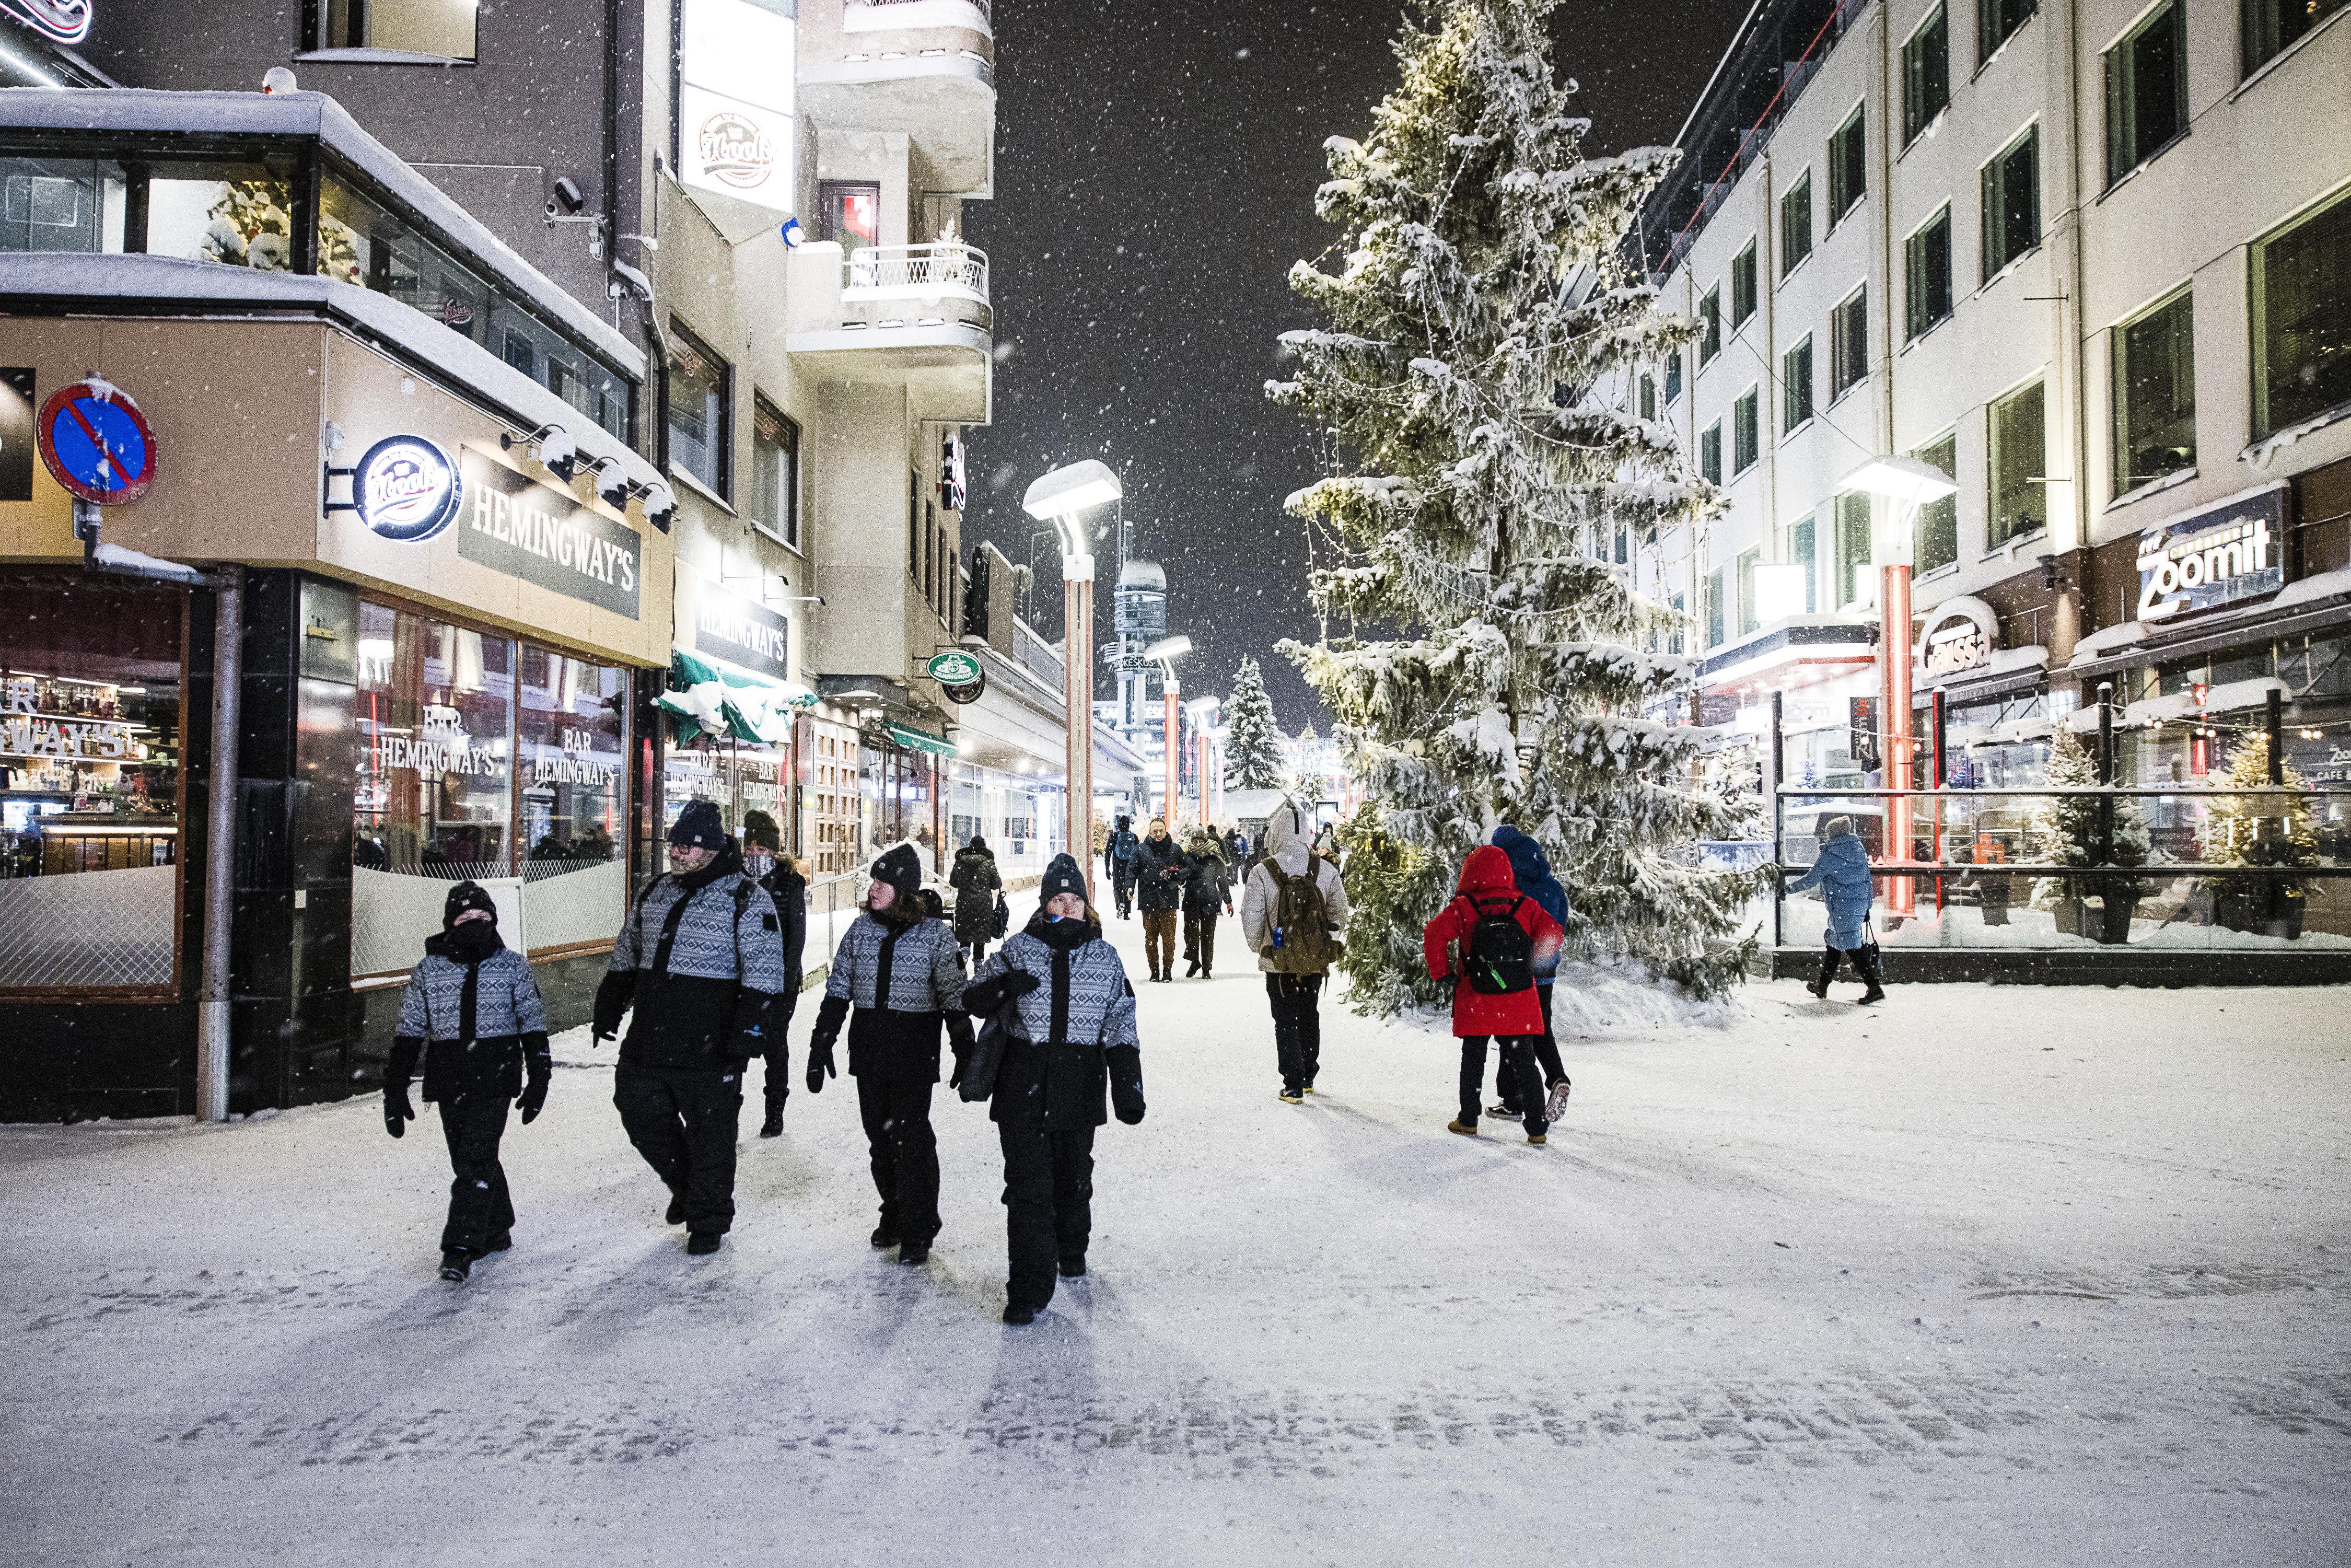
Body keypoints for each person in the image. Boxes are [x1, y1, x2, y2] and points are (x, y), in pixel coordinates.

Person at [591, 799, 788, 1257]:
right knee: (637, 1107)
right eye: (673, 844)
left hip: (710, 1041)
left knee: (712, 1135)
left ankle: (708, 1220)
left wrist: (749, 1035)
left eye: (685, 847)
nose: (675, 853)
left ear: (711, 850)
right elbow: (627, 954)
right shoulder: (655, 891)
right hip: (651, 1035)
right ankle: (686, 1185)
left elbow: (764, 972)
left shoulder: (746, 897)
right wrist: (609, 1007)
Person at [961, 853, 1144, 1326]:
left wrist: (1128, 1085)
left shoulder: (1104, 957)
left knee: (1073, 1179)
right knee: (1027, 1190)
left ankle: (1071, 1246)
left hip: (1078, 1088)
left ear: (1087, 905)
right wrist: (1006, 985)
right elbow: (974, 996)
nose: (1066, 907)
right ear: (1044, 905)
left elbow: (1120, 1020)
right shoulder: (1020, 947)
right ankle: (1027, 1289)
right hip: (1022, 1086)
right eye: (1057, 899)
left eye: (1074, 899)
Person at [805, 844, 972, 1265]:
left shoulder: (935, 935)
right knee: (879, 1139)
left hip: (913, 1052)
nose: (872, 887)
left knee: (911, 1139)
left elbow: (953, 996)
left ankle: (919, 1225)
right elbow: (838, 989)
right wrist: (820, 1042)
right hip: (870, 1051)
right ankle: (894, 1209)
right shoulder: (861, 931)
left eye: (881, 882)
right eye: (872, 880)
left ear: (902, 889)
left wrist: (964, 1050)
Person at [383, 881, 552, 1282]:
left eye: (483, 918)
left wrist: (539, 1077)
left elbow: (533, 1024)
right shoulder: (430, 970)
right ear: (449, 924)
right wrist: (394, 1086)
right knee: (469, 1158)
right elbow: (409, 1030)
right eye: (465, 919)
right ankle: (496, 1227)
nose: (475, 924)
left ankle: (460, 1245)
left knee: (475, 1157)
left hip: (496, 1077)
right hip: (449, 1078)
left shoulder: (513, 966)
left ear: (494, 920)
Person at [1422, 845, 1565, 1146]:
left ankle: (1468, 1119)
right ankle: (1537, 1127)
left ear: (1470, 873)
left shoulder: (1464, 908)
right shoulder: (1524, 906)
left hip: (1477, 996)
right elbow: (1554, 932)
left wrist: (1443, 972)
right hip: (1518, 998)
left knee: (1473, 1058)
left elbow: (1434, 934)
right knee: (1524, 1062)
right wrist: (1531, 964)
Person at [1239, 800, 1348, 1102]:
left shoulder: (1263, 871)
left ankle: (1293, 1083)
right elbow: (1340, 908)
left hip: (1279, 956)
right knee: (1308, 1012)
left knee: (1285, 1018)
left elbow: (1252, 915)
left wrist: (1263, 946)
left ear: (1276, 833)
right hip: (1313, 960)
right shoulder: (1324, 869)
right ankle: (1309, 1073)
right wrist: (1324, 938)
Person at [1488, 824, 1573, 1126]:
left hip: (1516, 969)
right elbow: (1559, 924)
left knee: (1510, 1030)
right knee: (1540, 1028)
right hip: (1545, 969)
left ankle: (1513, 1100)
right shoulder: (1551, 885)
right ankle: (1557, 1078)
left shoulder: (1509, 882)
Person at [739, 810, 807, 1139]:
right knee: (735, 1046)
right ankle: (727, 1110)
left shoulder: (789, 884)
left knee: (774, 1045)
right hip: (741, 982)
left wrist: (785, 981)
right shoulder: (735, 884)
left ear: (774, 851)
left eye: (761, 850)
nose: (754, 856)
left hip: (780, 983)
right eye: (749, 850)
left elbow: (796, 939)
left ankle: (775, 1112)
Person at [1780, 815, 1882, 1003]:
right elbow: (1867, 881)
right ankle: (1823, 986)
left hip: (1843, 907)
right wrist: (1867, 906)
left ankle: (1874, 987)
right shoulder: (1858, 850)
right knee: (1834, 946)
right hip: (1857, 905)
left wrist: (1788, 889)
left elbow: (1811, 879)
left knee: (1854, 949)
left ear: (1832, 834)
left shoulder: (1830, 855)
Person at [1132, 816, 1187, 982]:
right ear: (1149, 832)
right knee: (1151, 939)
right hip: (1148, 901)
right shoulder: (1141, 850)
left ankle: (1168, 971)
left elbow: (1187, 869)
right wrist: (1129, 885)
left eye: (1161, 831)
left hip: (1168, 902)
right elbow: (1132, 870)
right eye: (1154, 831)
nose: (1158, 834)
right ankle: (1154, 971)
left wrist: (1175, 875)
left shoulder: (1175, 849)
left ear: (1166, 831)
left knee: (1169, 939)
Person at [1181, 826, 1234, 978]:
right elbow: (1181, 877)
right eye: (1195, 840)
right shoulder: (1188, 857)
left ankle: (1206, 968)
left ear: (1205, 841)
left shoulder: (1214, 857)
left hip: (1210, 900)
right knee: (1190, 934)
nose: (1197, 843)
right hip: (1192, 901)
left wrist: (1228, 902)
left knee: (1208, 935)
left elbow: (1222, 881)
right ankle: (1194, 960)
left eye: (1200, 840)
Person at [950, 834, 1004, 969]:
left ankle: (964, 953)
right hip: (983, 905)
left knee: (965, 932)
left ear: (970, 846)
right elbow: (996, 884)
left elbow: (953, 882)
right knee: (980, 935)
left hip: (964, 904)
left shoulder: (961, 862)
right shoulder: (988, 863)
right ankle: (978, 963)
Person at [1105, 815, 1140, 920]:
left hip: (1117, 865)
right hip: (1130, 866)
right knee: (1129, 887)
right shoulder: (1134, 837)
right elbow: (1139, 853)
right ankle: (1126, 914)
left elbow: (1108, 853)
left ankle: (1119, 904)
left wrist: (1107, 868)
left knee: (1117, 887)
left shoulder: (1114, 837)